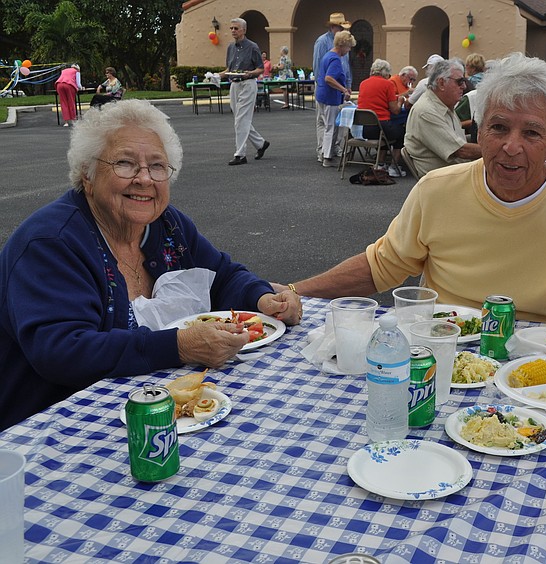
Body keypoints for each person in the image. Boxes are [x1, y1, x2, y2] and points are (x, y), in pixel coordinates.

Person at [0, 99, 302, 432]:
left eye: (157, 166)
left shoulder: (167, 224)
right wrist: (180, 345)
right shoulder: (52, 242)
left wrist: (261, 298)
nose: (144, 178)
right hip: (56, 424)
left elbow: (222, 276)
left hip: (158, 410)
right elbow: (63, 351)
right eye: (125, 163)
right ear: (87, 174)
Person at [285, 53, 546, 329]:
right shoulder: (436, 191)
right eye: (499, 127)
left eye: (531, 133)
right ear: (478, 131)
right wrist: (293, 290)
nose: (511, 146)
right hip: (440, 351)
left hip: (532, 365)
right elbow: (381, 267)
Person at [403, 58, 482, 175]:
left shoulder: (444, 106)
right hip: (445, 179)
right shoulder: (426, 111)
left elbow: (457, 140)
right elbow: (460, 150)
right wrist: (496, 150)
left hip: (456, 172)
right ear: (441, 83)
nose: (464, 86)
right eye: (460, 81)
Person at [219, 18, 269, 166]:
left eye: (236, 28)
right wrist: (217, 76)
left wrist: (250, 73)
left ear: (244, 30)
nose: (233, 31)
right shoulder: (230, 48)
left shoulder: (252, 47)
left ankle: (240, 154)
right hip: (234, 84)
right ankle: (260, 144)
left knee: (241, 119)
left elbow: (260, 68)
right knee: (240, 119)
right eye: (231, 28)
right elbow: (230, 69)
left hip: (248, 84)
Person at [357, 59, 406, 177]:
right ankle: (394, 166)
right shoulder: (387, 84)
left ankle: (380, 163)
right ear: (385, 72)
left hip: (366, 129)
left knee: (385, 133)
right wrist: (400, 101)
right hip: (382, 127)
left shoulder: (363, 83)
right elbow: (395, 110)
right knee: (401, 132)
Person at [313, 12, 352, 160]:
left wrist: (347, 84)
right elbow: (318, 66)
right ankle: (322, 150)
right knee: (324, 122)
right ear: (333, 27)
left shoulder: (344, 41)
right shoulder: (322, 42)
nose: (342, 30)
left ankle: (332, 148)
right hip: (327, 86)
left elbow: (346, 66)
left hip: (338, 86)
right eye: (340, 27)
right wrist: (323, 85)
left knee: (336, 121)